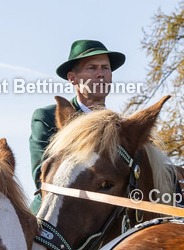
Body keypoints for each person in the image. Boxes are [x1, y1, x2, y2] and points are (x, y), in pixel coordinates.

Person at [28, 40, 125, 210]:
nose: (101, 74)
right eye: (92, 68)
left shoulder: (122, 128)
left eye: (105, 68)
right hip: (52, 216)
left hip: (107, 215)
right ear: (72, 78)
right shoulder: (47, 117)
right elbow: (41, 177)